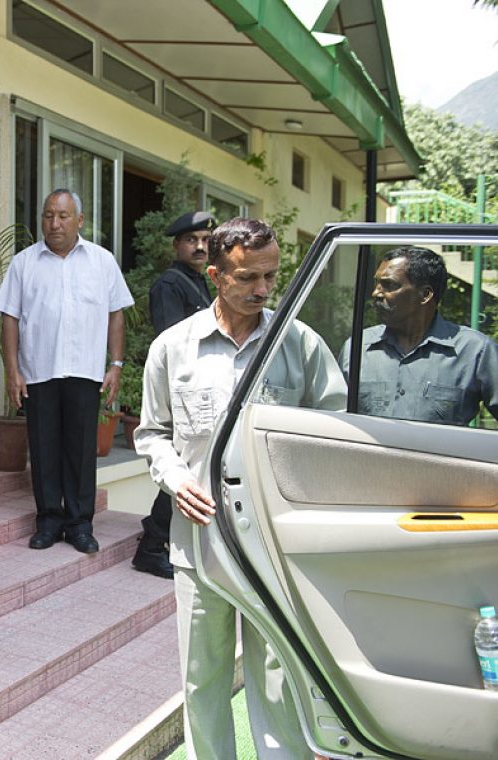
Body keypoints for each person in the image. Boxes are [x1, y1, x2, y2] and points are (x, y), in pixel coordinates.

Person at [135, 217, 347, 759]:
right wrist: (176, 479)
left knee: (278, 676)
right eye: (248, 277)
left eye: (270, 276)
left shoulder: (298, 343)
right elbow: (152, 433)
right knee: (201, 674)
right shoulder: (173, 348)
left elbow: (335, 429)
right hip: (199, 540)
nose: (262, 288)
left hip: (274, 544)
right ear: (215, 275)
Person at [0, 189, 133, 554]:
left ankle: (80, 525)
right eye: (48, 215)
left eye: (63, 216)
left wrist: (116, 364)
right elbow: (9, 317)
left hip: (85, 373)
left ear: (79, 220)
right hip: (38, 372)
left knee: (81, 450)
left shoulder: (102, 262)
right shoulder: (24, 263)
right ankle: (48, 522)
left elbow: (116, 314)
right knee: (44, 450)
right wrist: (12, 370)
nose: (54, 223)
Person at [132, 210, 216, 578]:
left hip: (200, 391)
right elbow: (172, 344)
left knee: (188, 470)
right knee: (180, 470)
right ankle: (151, 547)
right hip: (182, 394)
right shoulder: (170, 284)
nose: (200, 247)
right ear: (177, 245)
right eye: (191, 240)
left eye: (205, 241)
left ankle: (155, 539)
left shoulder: (199, 281)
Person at [340, 246, 498, 425]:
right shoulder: (358, 348)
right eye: (376, 283)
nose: (376, 293)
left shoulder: (475, 352)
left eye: (389, 285)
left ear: (425, 295)